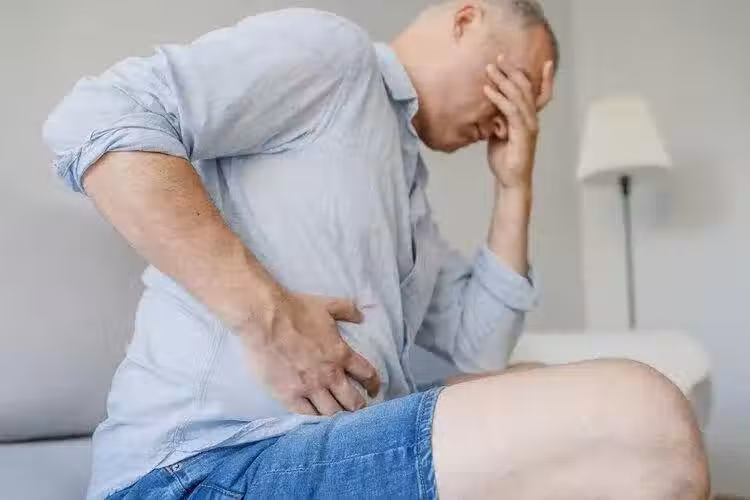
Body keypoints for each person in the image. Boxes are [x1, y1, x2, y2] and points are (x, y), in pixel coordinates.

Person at [43, 1, 709, 498]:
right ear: (467, 20)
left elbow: (479, 350)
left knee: (545, 390)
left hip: (317, 454)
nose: (514, 117)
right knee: (647, 416)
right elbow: (96, 116)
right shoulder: (336, 57)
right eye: (518, 85)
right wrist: (264, 313)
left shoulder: (407, 192)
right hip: (198, 470)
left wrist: (514, 186)